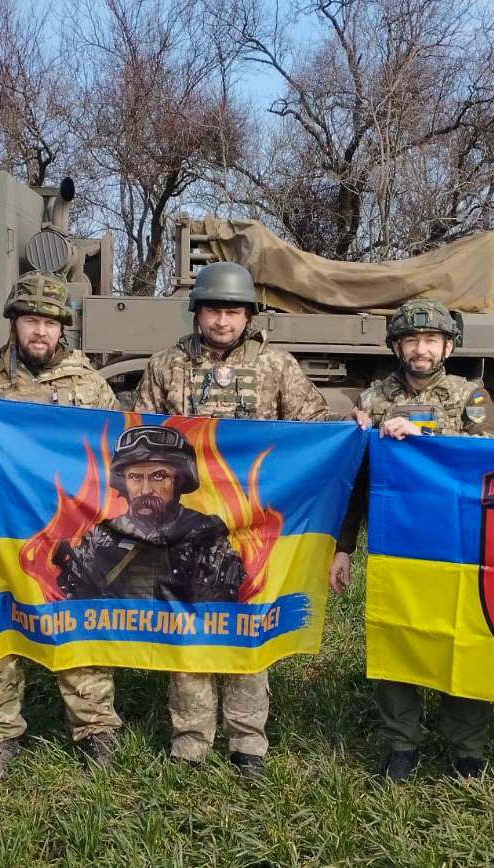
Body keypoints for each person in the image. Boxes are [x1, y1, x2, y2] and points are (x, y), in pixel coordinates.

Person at [133, 260, 331, 776]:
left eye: (233, 311)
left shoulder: (276, 366)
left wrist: (347, 428)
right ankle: (191, 741)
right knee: (188, 629)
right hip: (183, 525)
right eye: (214, 310)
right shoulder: (165, 365)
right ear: (197, 312)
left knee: (247, 627)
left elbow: (314, 429)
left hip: (252, 525)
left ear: (249, 315)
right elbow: (138, 437)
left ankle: (248, 742)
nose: (223, 321)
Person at [0, 271, 125, 781]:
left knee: (81, 628)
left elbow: (117, 455)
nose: (40, 332)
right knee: (1, 628)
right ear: (14, 324)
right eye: (30, 321)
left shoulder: (90, 385)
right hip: (4, 532)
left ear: (64, 329)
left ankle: (96, 729)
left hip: (76, 535)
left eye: (50, 323)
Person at [330, 297, 494, 781]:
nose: (421, 349)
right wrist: (343, 548)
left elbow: (493, 460)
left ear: (447, 345)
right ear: (397, 346)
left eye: (430, 340)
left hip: (458, 544)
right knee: (395, 638)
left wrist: (422, 434)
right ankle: (401, 744)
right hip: (394, 544)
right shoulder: (372, 400)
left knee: (462, 640)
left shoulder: (470, 396)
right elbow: (356, 482)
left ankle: (468, 749)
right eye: (411, 339)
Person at [56, 425, 246, 601]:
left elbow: (217, 614)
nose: (145, 489)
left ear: (179, 481)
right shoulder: (100, 537)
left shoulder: (205, 535)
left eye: (159, 476)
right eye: (135, 477)